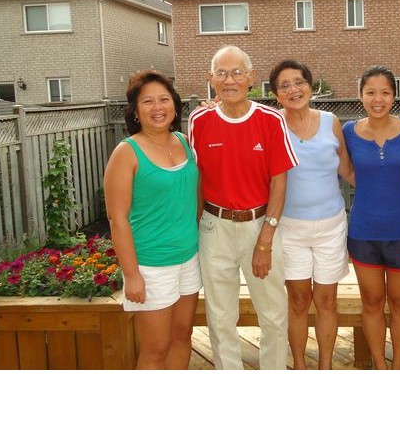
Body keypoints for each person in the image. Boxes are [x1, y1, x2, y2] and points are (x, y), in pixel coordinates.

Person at [188, 45, 299, 370]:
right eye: (221, 73)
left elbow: (280, 183)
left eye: (237, 72)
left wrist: (265, 240)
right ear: (211, 78)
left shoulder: (271, 120)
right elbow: (195, 180)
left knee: (273, 316)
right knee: (220, 318)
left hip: (260, 226)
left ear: (251, 77)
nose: (229, 79)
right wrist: (195, 231)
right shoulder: (198, 119)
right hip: (213, 227)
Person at [103, 70, 201, 369]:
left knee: (183, 335)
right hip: (151, 265)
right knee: (155, 349)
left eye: (164, 100)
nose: (157, 108)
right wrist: (132, 275)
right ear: (135, 111)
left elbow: (194, 200)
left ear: (174, 105)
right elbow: (117, 218)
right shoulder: (126, 152)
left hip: (188, 259)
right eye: (148, 102)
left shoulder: (184, 142)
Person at [268, 59, 354, 370]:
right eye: (285, 85)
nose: (294, 89)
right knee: (299, 300)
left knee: (327, 300)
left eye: (299, 82)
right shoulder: (271, 124)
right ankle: (301, 367)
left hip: (331, 226)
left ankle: (325, 367)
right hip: (289, 228)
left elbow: (346, 169)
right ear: (276, 94)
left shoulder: (331, 121)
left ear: (310, 85)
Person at [342, 65, 400, 370]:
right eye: (371, 92)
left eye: (385, 92)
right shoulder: (349, 131)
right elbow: (347, 170)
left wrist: (396, 178)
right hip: (363, 232)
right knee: (372, 303)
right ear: (361, 95)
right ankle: (379, 365)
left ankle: (398, 366)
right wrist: (374, 181)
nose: (378, 99)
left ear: (394, 95)